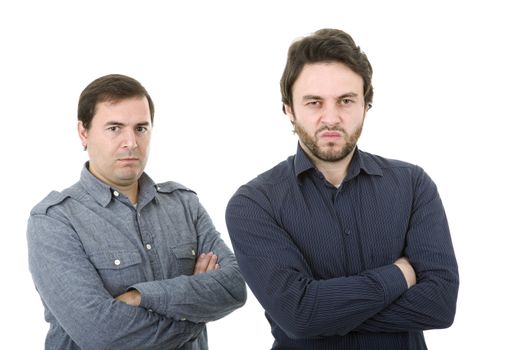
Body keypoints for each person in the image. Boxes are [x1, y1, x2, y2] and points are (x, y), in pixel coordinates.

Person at [225, 29, 459, 349]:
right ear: (289, 110)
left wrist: (324, 314)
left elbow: (440, 305)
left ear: (366, 104)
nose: (331, 118)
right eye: (314, 102)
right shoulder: (254, 204)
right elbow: (299, 316)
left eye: (346, 100)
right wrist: (399, 276)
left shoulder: (414, 185)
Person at [27, 74, 246, 350]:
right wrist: (197, 310)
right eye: (114, 128)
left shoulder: (184, 205)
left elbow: (235, 286)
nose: (131, 142)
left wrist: (139, 297)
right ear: (83, 132)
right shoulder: (54, 220)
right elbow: (102, 335)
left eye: (141, 128)